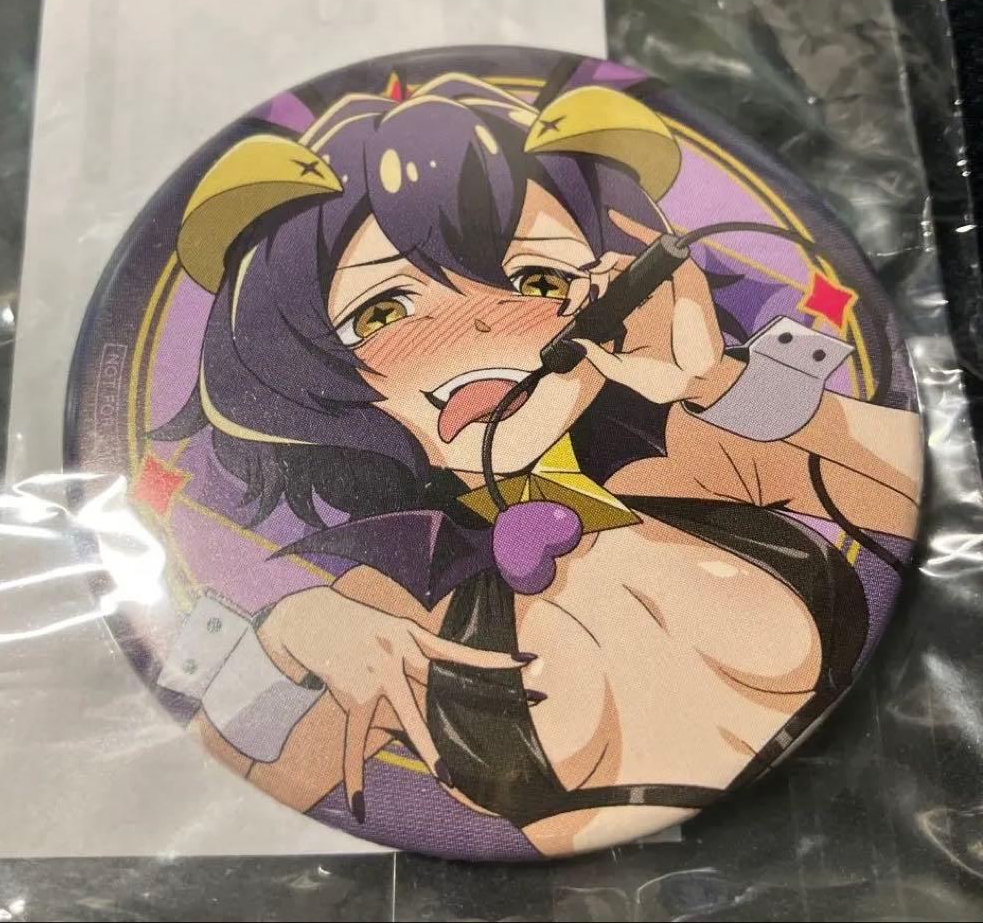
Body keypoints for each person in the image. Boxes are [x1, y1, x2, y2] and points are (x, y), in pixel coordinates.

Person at [154, 74, 921, 855]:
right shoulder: (394, 600)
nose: (477, 324)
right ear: (311, 364)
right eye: (383, 310)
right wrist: (285, 634)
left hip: (889, 813)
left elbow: (911, 483)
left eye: (538, 280)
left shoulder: (685, 453)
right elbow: (213, 784)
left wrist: (710, 379)